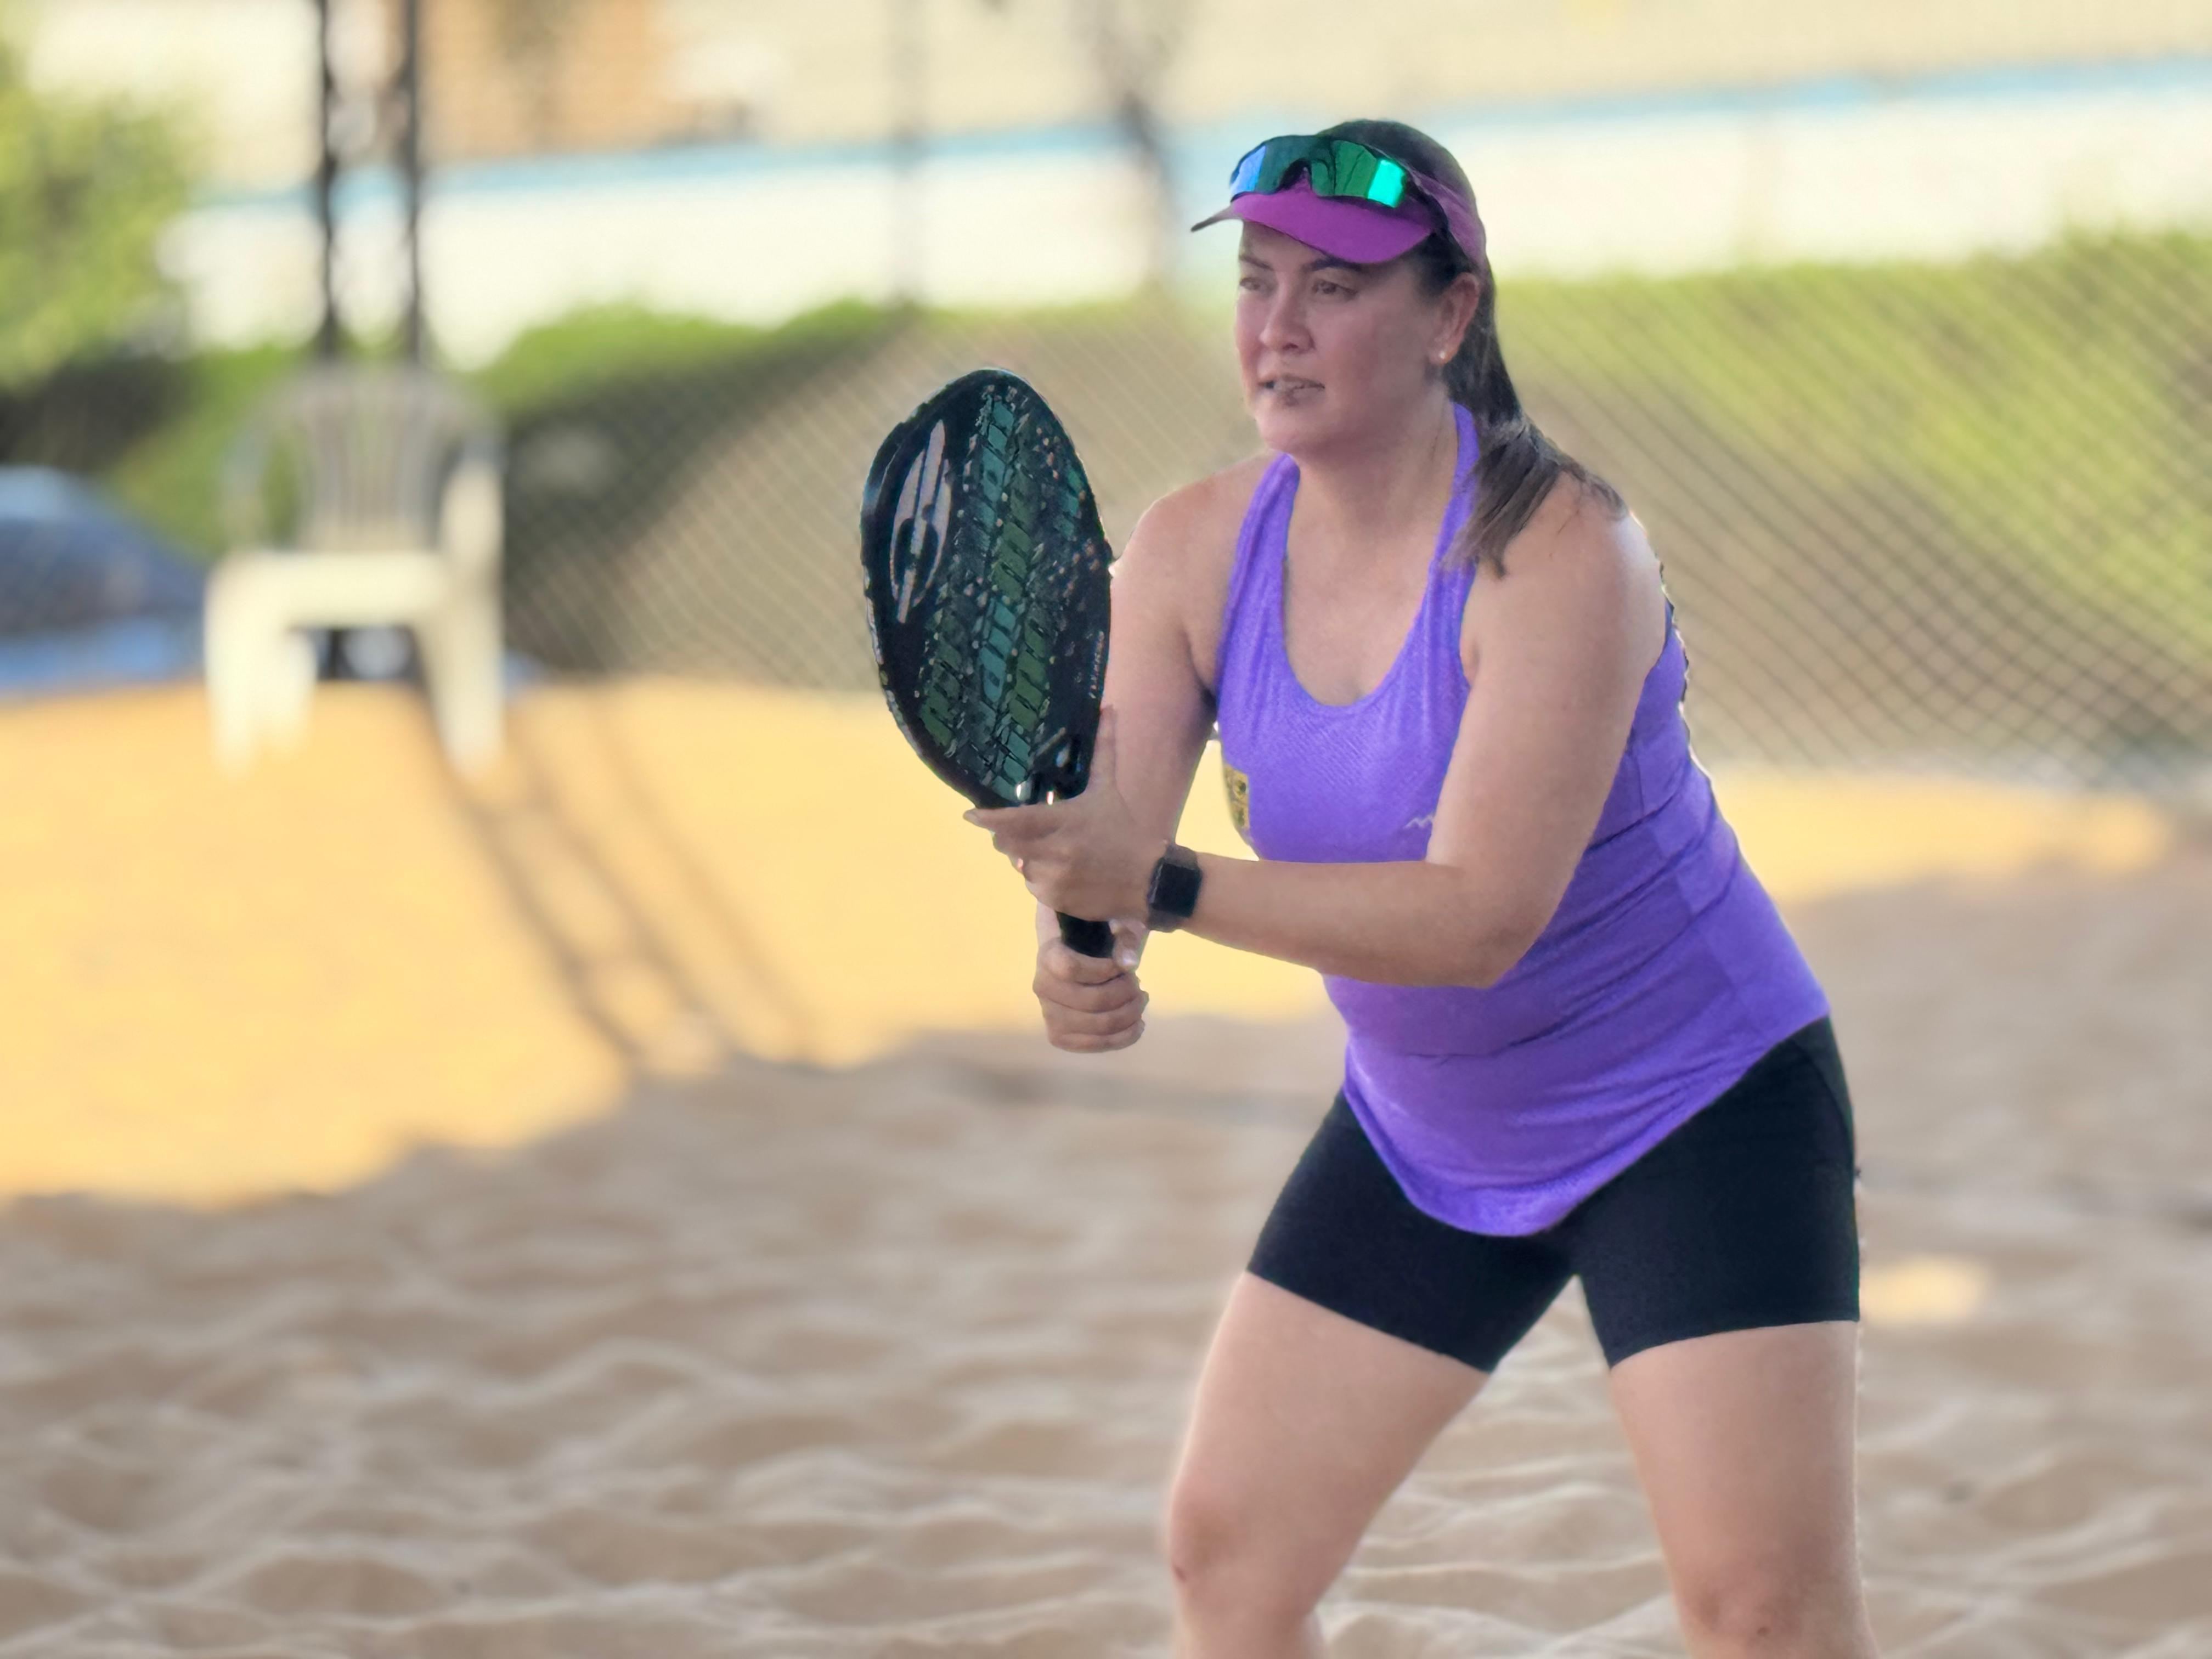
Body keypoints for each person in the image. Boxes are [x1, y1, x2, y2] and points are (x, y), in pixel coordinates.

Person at [964, 119, 1877, 1659]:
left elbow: (1477, 919)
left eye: (1336, 288)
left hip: (1693, 1110)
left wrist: (1164, 886)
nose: (1278, 325)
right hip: (1426, 1125)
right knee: (1227, 1558)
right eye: (1257, 283)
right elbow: (1115, 848)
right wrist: (1078, 946)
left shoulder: (1562, 549)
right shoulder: (1194, 548)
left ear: (1452, 315)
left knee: (1760, 1617)